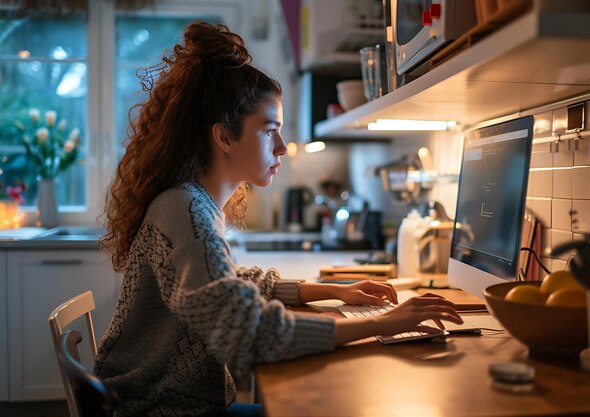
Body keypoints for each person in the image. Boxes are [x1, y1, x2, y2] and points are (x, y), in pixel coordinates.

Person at [97, 20, 462, 417]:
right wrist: (383, 324)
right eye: (270, 130)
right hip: (157, 410)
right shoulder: (185, 209)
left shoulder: (190, 203)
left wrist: (334, 291)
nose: (283, 147)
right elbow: (249, 331)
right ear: (224, 137)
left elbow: (230, 285)